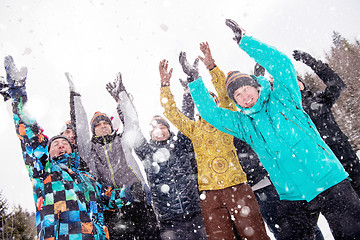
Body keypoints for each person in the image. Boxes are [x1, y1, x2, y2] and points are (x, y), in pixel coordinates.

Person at [187, 19, 360, 239]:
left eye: (246, 89)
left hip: (329, 180)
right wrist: (195, 82)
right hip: (293, 195)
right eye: (237, 95)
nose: (244, 96)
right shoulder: (245, 124)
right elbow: (213, 114)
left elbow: (282, 64)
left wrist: (246, 42)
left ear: (256, 87)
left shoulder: (283, 98)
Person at [2, 55, 143, 239]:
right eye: (55, 144)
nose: (61, 145)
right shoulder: (44, 170)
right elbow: (29, 134)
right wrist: (18, 93)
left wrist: (129, 193)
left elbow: (107, 197)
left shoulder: (87, 178)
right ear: (47, 151)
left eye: (65, 144)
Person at [158, 50, 270, 239]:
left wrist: (212, 68)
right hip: (209, 195)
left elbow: (226, 97)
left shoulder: (227, 122)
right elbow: (170, 112)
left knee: (256, 235)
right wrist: (164, 85)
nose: (209, 103)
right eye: (204, 101)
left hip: (237, 187)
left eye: (212, 100)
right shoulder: (193, 129)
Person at [68, 73, 160, 240]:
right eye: (98, 125)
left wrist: (122, 95)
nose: (103, 126)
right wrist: (75, 95)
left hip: (137, 201)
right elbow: (80, 129)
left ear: (111, 127)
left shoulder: (122, 142)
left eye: (105, 123)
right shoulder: (89, 151)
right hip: (111, 209)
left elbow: (132, 122)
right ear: (93, 130)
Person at [292, 50, 360, 197]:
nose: (295, 84)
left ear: (302, 82)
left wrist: (312, 62)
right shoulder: (290, 112)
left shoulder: (319, 99)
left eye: (296, 79)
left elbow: (337, 85)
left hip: (346, 157)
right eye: (290, 82)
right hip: (324, 169)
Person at [134, 114, 207, 240]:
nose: (159, 131)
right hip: (169, 222)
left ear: (168, 129)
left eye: (162, 127)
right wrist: (124, 104)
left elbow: (187, 118)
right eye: (155, 129)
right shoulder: (147, 153)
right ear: (151, 133)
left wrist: (187, 94)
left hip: (195, 215)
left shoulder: (181, 145)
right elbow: (134, 131)